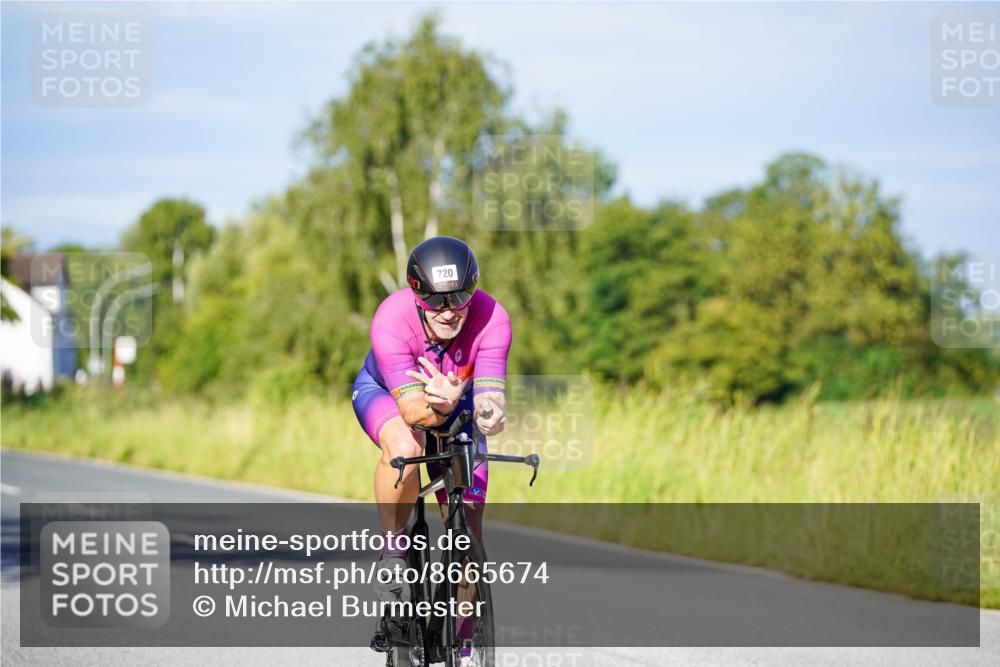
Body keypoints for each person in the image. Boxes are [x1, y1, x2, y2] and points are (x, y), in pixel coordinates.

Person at [351, 236, 510, 608]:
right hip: (386, 394)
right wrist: (441, 405)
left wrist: (491, 414)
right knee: (406, 448)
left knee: (468, 536)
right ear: (415, 293)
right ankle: (393, 553)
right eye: (435, 300)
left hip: (459, 405)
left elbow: (489, 400)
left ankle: (467, 646)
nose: (448, 311)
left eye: (459, 297)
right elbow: (412, 413)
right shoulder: (391, 317)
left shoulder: (493, 318)